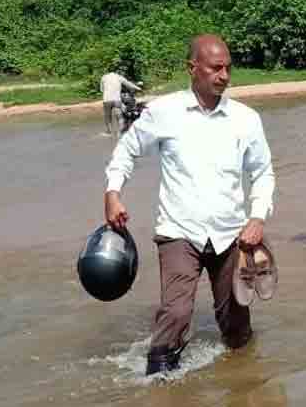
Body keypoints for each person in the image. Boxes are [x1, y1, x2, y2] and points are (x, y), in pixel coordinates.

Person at [103, 35, 276, 375]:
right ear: (192, 68)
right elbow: (127, 151)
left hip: (232, 235)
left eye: (228, 67)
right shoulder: (163, 112)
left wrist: (257, 218)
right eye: (215, 68)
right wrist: (112, 194)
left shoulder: (245, 118)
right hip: (179, 232)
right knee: (177, 313)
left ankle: (242, 385)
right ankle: (158, 379)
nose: (224, 75)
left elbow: (263, 172)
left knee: (237, 323)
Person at [100, 70, 140, 135]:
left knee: (108, 116)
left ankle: (109, 132)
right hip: (117, 100)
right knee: (119, 116)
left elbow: (101, 89)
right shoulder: (119, 77)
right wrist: (138, 88)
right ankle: (120, 132)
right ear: (116, 72)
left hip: (107, 100)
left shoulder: (104, 77)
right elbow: (128, 84)